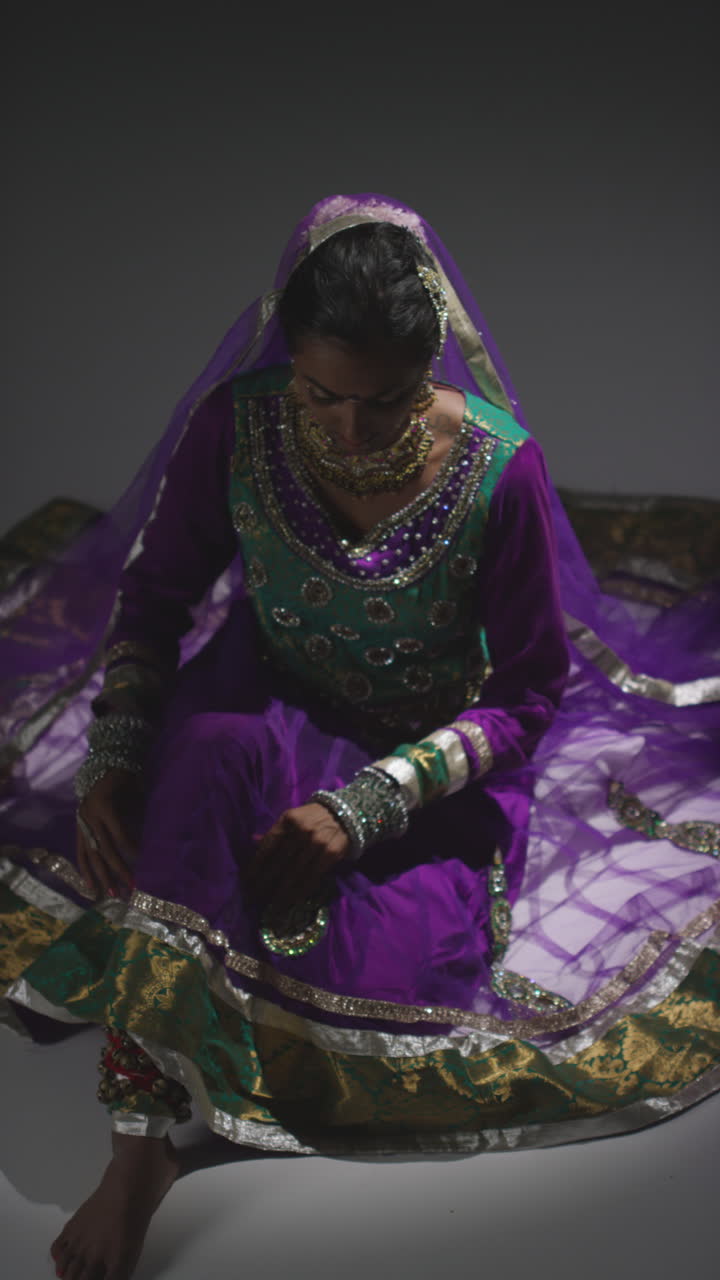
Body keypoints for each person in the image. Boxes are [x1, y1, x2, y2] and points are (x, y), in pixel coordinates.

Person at [1, 194, 718, 1280]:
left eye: (384, 401)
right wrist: (114, 755)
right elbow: (154, 601)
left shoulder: (498, 468)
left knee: (391, 972)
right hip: (265, 697)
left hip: (428, 753)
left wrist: (366, 805)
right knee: (184, 806)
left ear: (432, 369)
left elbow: (530, 694)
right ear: (288, 360)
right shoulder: (238, 426)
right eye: (319, 393)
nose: (347, 429)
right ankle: (138, 1148)